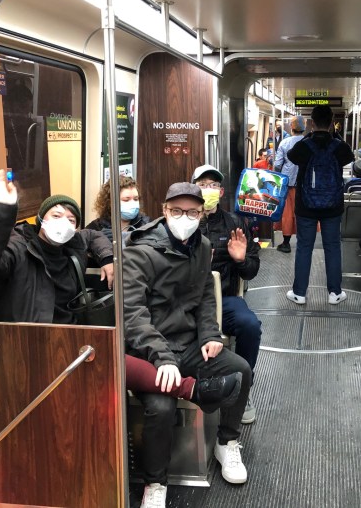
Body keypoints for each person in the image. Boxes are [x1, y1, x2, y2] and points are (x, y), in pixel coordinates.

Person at [124, 182, 252, 507]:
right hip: (151, 351)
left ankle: (227, 441)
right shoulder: (140, 252)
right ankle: (156, 482)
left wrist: (210, 335)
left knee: (241, 370)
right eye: (178, 211)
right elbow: (133, 314)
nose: (186, 218)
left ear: (201, 213)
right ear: (165, 211)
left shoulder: (202, 245)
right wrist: (162, 356)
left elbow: (206, 296)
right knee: (161, 407)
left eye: (193, 212)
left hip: (190, 343)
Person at [0, 168, 115, 323]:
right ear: (41, 220)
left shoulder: (74, 245)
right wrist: (0, 215)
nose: (63, 223)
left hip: (67, 336)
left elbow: (93, 235)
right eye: (56, 216)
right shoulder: (19, 246)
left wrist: (107, 258)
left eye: (71, 220)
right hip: (24, 337)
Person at [192, 164, 262, 424]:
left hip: (226, 300)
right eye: (202, 184)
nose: (207, 190)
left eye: (213, 185)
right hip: (188, 299)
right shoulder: (182, 222)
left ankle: (243, 385)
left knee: (250, 325)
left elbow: (252, 271)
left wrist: (241, 259)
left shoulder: (236, 223)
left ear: (221, 192)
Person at [285, 105, 354, 305]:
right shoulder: (338, 146)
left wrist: (308, 136)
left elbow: (291, 157)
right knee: (332, 247)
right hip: (332, 206)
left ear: (312, 123)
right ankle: (335, 293)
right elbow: (349, 156)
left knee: (304, 247)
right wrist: (335, 136)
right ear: (332, 122)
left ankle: (299, 292)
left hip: (305, 205)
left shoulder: (305, 145)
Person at [86, 175, 151, 246]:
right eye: (126, 200)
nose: (133, 203)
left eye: (136, 199)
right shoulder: (95, 228)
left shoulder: (147, 225)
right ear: (110, 202)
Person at [274, 115, 306, 253]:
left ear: (291, 127)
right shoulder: (308, 142)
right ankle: (304, 242)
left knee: (287, 212)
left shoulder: (285, 143)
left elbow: (277, 165)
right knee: (304, 212)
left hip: (287, 183)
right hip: (305, 185)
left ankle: (286, 243)